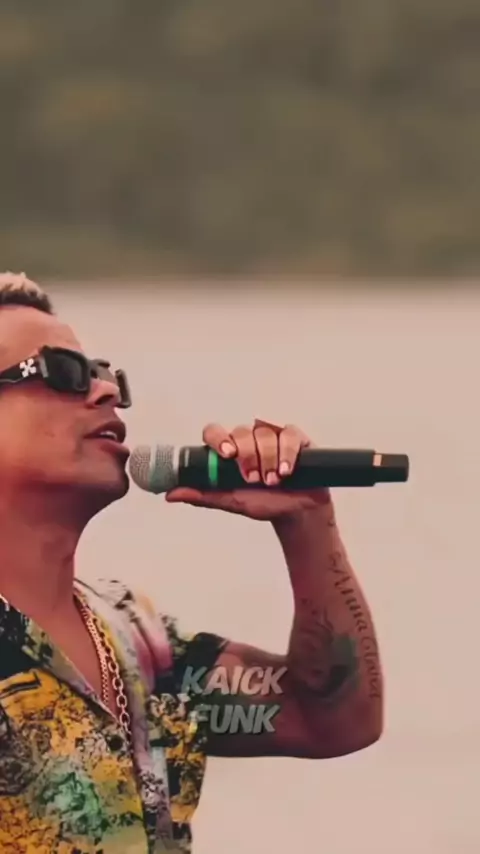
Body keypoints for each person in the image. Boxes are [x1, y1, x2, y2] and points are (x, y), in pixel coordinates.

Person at [0, 272, 383, 854]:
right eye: (64, 372)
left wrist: (307, 522)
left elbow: (332, 717)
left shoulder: (137, 639)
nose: (104, 392)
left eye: (104, 374)